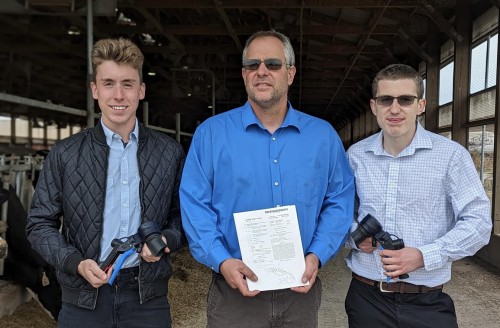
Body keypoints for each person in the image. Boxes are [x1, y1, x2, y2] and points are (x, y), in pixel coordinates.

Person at [180, 30, 355, 328]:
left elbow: (339, 200)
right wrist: (222, 260)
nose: (262, 71)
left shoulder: (323, 137)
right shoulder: (211, 134)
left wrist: (317, 254)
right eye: (252, 65)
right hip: (233, 292)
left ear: (290, 73)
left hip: (300, 292)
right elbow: (195, 204)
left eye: (273, 64)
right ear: (244, 74)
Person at [26, 38, 185, 328]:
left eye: (128, 83)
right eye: (109, 83)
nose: (119, 95)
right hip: (84, 298)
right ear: (95, 90)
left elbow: (182, 218)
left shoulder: (169, 153)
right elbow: (39, 224)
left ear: (141, 90)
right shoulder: (65, 153)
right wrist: (75, 262)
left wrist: (165, 241)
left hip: (147, 298)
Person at [345, 63, 492, 328]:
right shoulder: (356, 156)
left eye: (405, 99)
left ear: (420, 105)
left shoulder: (451, 156)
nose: (395, 108)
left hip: (428, 301)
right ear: (373, 105)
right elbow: (338, 212)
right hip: (366, 298)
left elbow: (479, 223)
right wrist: (355, 238)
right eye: (386, 99)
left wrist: (424, 255)